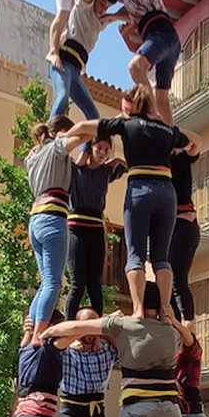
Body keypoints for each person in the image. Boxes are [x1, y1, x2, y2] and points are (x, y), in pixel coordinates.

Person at [65, 85, 201, 320]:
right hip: (166, 192)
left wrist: (62, 139)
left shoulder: (126, 124)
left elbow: (87, 126)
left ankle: (138, 308)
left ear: (132, 106)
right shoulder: (167, 130)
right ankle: (166, 308)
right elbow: (197, 142)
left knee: (136, 254)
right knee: (161, 257)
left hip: (140, 189)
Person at [42, 282, 183, 417]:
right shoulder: (173, 333)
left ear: (136, 300)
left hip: (137, 408)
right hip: (171, 408)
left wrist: (44, 333)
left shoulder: (123, 328)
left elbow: (74, 328)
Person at [25, 115, 93, 346]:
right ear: (60, 132)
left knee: (45, 283)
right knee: (53, 283)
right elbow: (85, 135)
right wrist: (88, 127)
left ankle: (29, 332)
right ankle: (37, 336)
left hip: (35, 220)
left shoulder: (32, 156)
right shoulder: (56, 147)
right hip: (53, 217)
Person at [81, 0, 180, 124]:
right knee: (162, 97)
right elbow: (134, 15)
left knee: (135, 67)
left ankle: (152, 115)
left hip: (160, 33)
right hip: (170, 38)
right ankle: (170, 137)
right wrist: (112, 17)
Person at [66, 137, 127, 319]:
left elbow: (129, 165)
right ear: (90, 147)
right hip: (76, 228)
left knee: (95, 284)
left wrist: (117, 160)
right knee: (78, 283)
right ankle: (69, 325)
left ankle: (98, 326)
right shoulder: (75, 168)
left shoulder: (105, 171)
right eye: (99, 147)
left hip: (96, 229)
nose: (102, 152)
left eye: (107, 150)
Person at [48, 0, 120, 119]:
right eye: (101, 4)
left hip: (76, 70)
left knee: (93, 115)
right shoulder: (82, 8)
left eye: (106, 7)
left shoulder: (99, 23)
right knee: (63, 96)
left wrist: (112, 13)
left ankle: (89, 140)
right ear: (94, 0)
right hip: (63, 62)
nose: (103, 9)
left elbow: (125, 15)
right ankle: (48, 135)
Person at [59, 307, 119, 417]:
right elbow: (52, 338)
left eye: (93, 325)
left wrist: (101, 333)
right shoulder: (65, 351)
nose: (89, 330)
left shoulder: (106, 351)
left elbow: (124, 351)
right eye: (85, 325)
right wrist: (74, 337)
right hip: (71, 410)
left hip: (96, 410)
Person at [13, 311, 72, 417]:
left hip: (27, 414)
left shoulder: (28, 348)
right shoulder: (47, 348)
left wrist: (28, 331)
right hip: (35, 415)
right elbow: (75, 332)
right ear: (52, 328)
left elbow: (23, 344)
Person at [169, 142, 203, 323]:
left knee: (177, 277)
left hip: (184, 220)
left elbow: (195, 148)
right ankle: (175, 322)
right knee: (167, 278)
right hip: (170, 224)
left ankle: (188, 322)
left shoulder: (177, 156)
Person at [170, 318, 205, 417]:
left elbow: (190, 342)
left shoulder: (193, 355)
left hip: (191, 414)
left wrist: (175, 322)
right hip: (176, 413)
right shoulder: (170, 358)